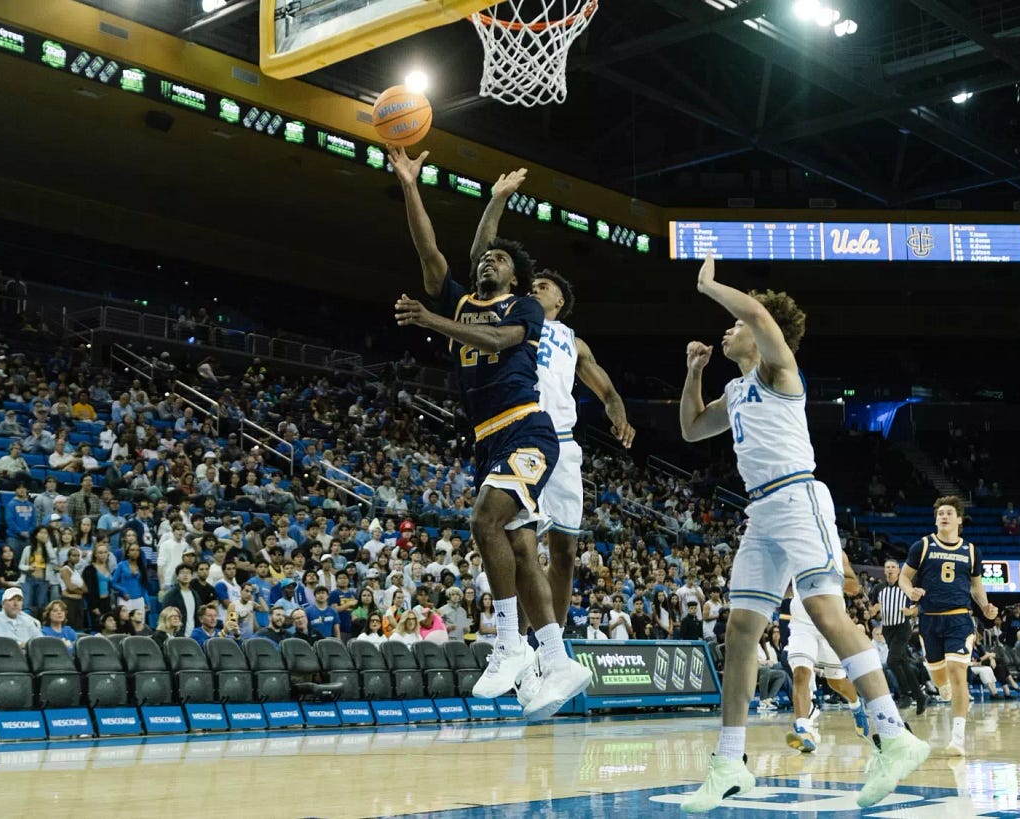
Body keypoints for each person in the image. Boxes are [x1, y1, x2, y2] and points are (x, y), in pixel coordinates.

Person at [675, 256, 927, 811]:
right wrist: (693, 372)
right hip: (761, 511)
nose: (730, 330)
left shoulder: (779, 370)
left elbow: (760, 317)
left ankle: (893, 735)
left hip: (798, 496)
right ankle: (729, 761)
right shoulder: (736, 391)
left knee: (825, 612)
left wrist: (710, 286)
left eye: (737, 324)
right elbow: (691, 429)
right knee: (741, 628)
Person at [390, 146, 589, 720]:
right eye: (485, 259)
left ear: (515, 277)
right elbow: (429, 250)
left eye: (499, 260)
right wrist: (410, 186)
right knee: (521, 547)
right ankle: (556, 660)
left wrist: (431, 320)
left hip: (528, 429)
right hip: (487, 439)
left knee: (484, 521)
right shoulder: (462, 299)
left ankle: (508, 644)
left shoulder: (524, 308)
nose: (487, 262)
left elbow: (499, 342)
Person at [467, 178, 635, 697]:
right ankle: (527, 649)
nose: (536, 288)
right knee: (517, 539)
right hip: (520, 429)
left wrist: (618, 413)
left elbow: (606, 388)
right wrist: (497, 201)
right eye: (532, 284)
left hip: (559, 442)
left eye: (544, 287)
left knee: (562, 552)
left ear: (561, 300)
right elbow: (483, 258)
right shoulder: (515, 312)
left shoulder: (572, 340)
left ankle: (549, 654)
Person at [899, 496, 997, 758]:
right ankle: (943, 688)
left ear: (959, 520)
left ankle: (958, 738)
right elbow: (904, 577)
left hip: (959, 619)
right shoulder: (922, 546)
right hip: (929, 620)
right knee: (940, 679)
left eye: (949, 513)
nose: (943, 516)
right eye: (940, 513)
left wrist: (985, 606)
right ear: (935, 519)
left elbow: (976, 586)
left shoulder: (971, 551)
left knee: (957, 671)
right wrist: (910, 591)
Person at [783, 567, 870, 753]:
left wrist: (828, 579)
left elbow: (854, 587)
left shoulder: (837, 554)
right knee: (800, 674)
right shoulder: (794, 553)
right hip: (802, 624)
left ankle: (856, 705)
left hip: (831, 623)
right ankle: (803, 729)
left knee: (836, 682)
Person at [873, 559, 927, 713]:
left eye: (893, 567)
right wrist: (872, 612)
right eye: (887, 567)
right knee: (902, 662)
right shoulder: (878, 588)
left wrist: (911, 612)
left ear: (898, 570)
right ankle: (920, 696)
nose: (890, 569)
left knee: (892, 661)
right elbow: (874, 609)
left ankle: (905, 695)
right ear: (884, 571)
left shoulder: (905, 587)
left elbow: (919, 606)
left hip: (902, 627)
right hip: (887, 629)